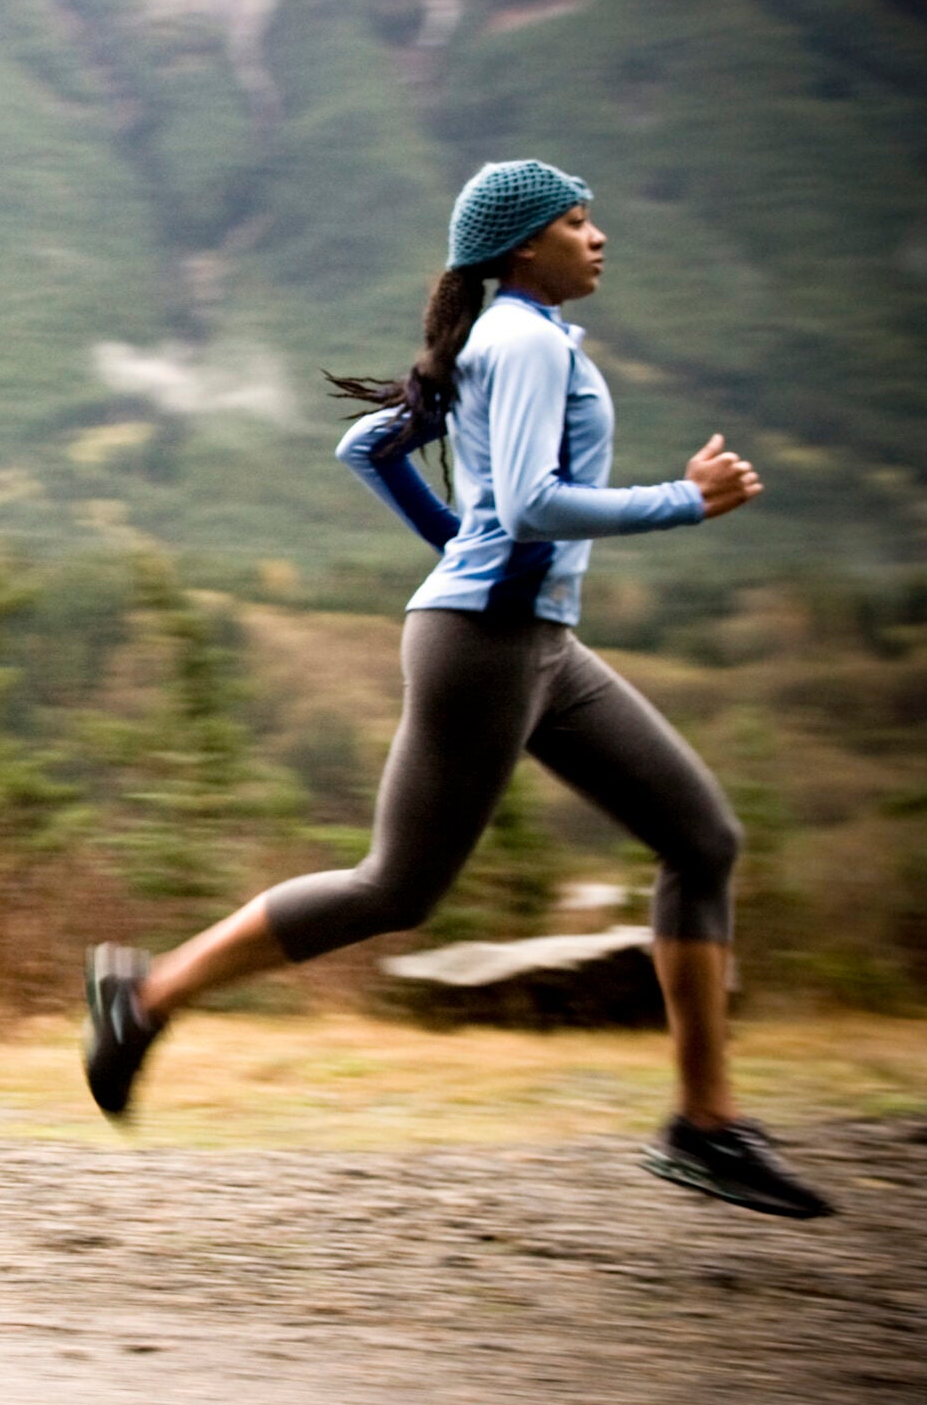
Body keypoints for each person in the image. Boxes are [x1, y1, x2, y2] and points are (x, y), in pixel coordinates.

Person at [81, 159, 836, 1220]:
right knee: (396, 887)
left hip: (534, 643)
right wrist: (682, 499)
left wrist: (459, 545)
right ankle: (146, 994)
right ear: (524, 245)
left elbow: (369, 446)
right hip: (484, 645)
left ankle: (706, 1124)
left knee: (702, 839)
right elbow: (527, 505)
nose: (597, 236)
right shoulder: (521, 341)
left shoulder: (515, 339)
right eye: (577, 221)